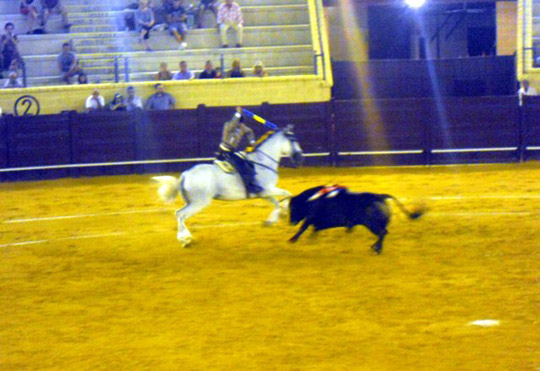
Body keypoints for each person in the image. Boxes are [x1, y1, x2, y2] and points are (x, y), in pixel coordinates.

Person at [215, 106, 262, 195]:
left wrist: (252, 141)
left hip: (231, 152)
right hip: (223, 153)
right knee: (242, 167)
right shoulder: (228, 126)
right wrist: (238, 113)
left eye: (240, 124)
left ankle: (251, 183)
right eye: (238, 123)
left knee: (248, 163)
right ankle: (249, 188)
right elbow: (233, 124)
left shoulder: (242, 127)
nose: (239, 125)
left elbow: (249, 132)